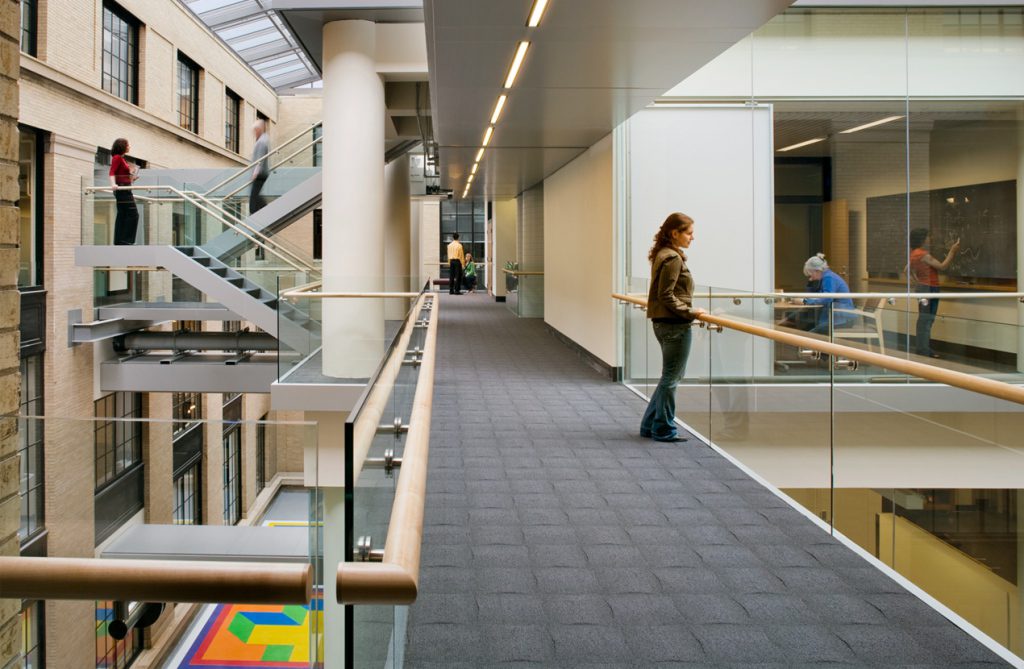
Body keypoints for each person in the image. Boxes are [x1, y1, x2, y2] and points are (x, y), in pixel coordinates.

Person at [640, 213, 705, 443]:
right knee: (672, 378)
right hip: (675, 325)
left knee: (669, 376)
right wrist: (691, 312)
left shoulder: (663, 254)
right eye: (689, 233)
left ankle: (649, 425)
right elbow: (666, 295)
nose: (692, 237)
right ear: (674, 233)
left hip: (664, 323)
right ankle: (664, 429)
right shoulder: (672, 258)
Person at [908, 227, 960, 358]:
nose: (929, 238)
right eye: (927, 236)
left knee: (924, 320)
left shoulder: (913, 253)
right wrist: (952, 251)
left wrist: (916, 281)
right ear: (922, 239)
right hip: (929, 288)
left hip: (923, 287)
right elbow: (942, 266)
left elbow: (906, 270)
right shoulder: (923, 255)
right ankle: (924, 349)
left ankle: (922, 348)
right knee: (927, 320)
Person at [796, 254, 855, 334]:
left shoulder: (828, 278)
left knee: (810, 333)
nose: (810, 276)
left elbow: (827, 297)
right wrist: (811, 283)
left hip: (841, 319)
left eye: (810, 273)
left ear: (817, 270)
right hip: (838, 317)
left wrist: (805, 301)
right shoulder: (826, 277)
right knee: (806, 327)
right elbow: (815, 295)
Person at [108, 137, 139, 245]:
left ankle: (120, 240)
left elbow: (122, 175)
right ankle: (127, 240)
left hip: (125, 188)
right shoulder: (117, 158)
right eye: (127, 145)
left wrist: (132, 178)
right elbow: (112, 172)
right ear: (122, 146)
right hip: (122, 189)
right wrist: (113, 184)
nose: (129, 147)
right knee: (133, 214)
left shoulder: (122, 159)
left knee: (123, 214)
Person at [249, 119, 271, 214]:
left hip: (260, 173)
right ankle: (265, 210)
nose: (254, 132)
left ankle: (255, 214)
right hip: (262, 172)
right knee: (256, 195)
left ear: (259, 129)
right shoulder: (264, 139)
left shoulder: (262, 141)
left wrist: (255, 172)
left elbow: (260, 158)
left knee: (254, 197)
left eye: (255, 130)